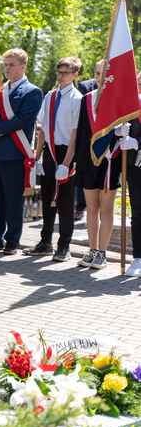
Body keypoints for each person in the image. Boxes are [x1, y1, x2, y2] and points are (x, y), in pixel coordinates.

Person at [0, 48, 43, 254]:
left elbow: (23, 120)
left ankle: (12, 241)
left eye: (12, 65)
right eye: (5, 65)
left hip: (13, 152)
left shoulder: (32, 91)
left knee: (13, 199)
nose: (7, 69)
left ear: (23, 66)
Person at [23, 57, 82, 262]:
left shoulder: (77, 98)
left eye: (65, 72)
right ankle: (45, 242)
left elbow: (75, 134)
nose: (60, 76)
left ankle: (64, 246)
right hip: (50, 152)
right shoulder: (50, 95)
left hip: (66, 153)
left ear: (75, 75)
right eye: (59, 72)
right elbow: (43, 130)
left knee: (65, 202)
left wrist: (66, 164)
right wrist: (37, 157)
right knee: (48, 199)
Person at [74, 59, 120, 270]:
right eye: (97, 73)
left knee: (106, 209)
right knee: (91, 207)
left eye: (105, 73)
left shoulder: (120, 101)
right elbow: (82, 130)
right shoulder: (86, 99)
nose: (100, 77)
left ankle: (103, 253)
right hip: (87, 159)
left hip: (111, 160)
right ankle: (92, 250)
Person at [75, 66, 100, 221]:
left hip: (109, 152)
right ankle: (79, 207)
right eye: (97, 73)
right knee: (84, 178)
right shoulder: (86, 89)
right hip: (87, 143)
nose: (99, 77)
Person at [122, 76, 141, 277]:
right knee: (138, 213)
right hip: (135, 168)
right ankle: (139, 257)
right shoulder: (131, 109)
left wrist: (137, 143)